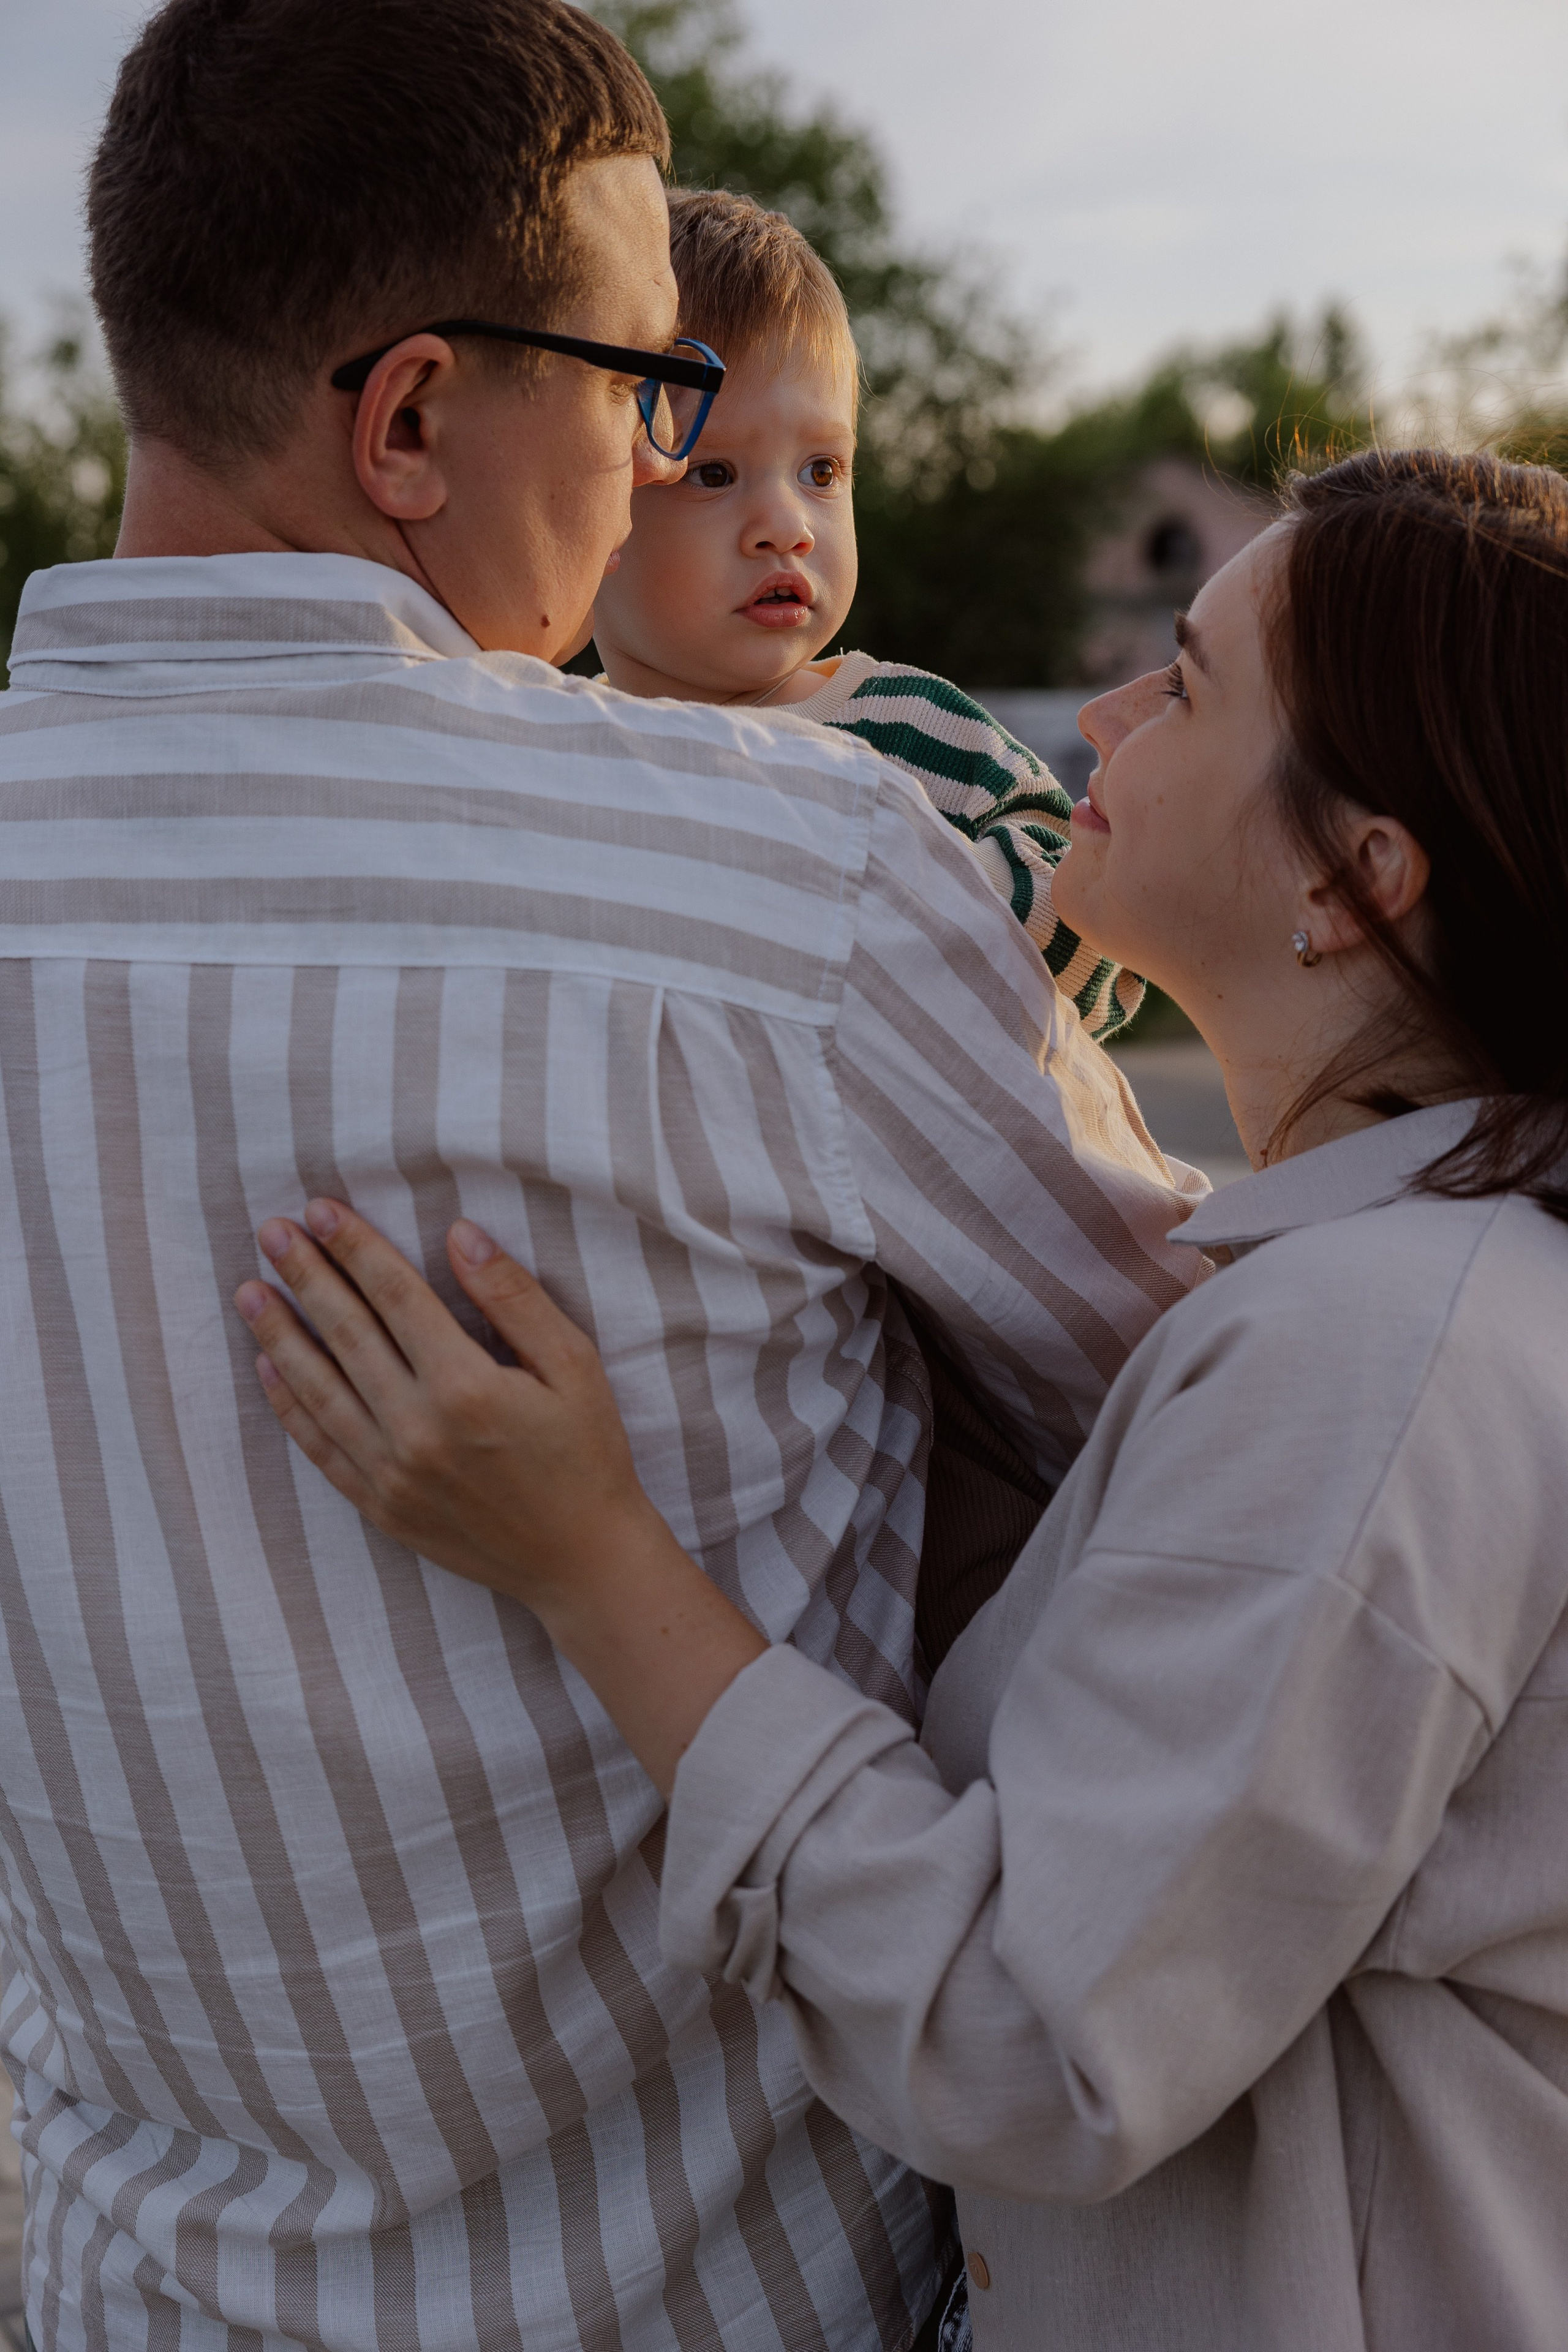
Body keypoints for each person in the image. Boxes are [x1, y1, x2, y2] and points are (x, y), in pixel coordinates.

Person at [0, 2, 1205, 2346]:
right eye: (648, 387)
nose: (666, 456)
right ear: (411, 420)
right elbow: (1208, 1443)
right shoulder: (790, 876)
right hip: (726, 2297)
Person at [243, 448, 1568, 2352]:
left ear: (1351, 880)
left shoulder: (1373, 1353)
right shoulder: (1390, 1290)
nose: (1105, 716)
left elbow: (1033, 2041)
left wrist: (593, 1560)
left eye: (1187, 685)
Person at [590, 188, 1144, 1042]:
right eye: (713, 473)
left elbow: (1099, 940)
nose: (788, 527)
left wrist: (897, 883)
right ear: (596, 492)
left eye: (821, 471)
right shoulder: (555, 745)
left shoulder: (911, 729)